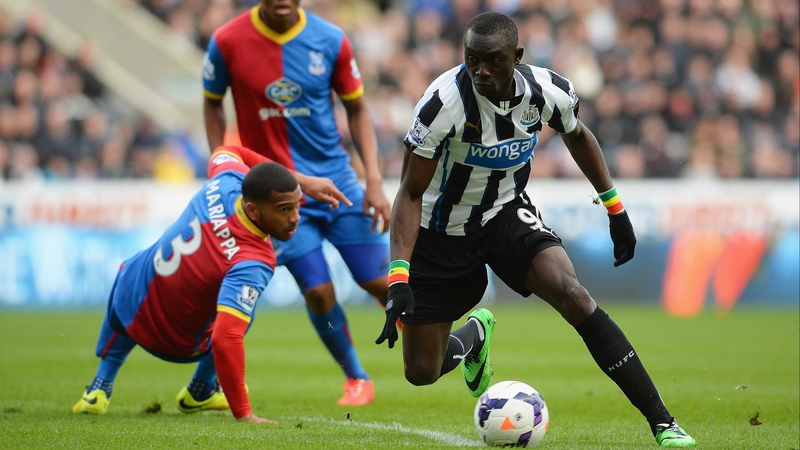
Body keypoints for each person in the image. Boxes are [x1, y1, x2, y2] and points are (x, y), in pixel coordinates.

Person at [375, 12, 696, 448]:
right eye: (472, 59)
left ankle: (663, 422)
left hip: (504, 212)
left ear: (517, 57)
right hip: (440, 229)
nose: (481, 70)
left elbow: (578, 135)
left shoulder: (550, 91)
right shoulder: (442, 104)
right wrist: (398, 277)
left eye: (493, 60)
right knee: (420, 372)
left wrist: (615, 208)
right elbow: (410, 195)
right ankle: (473, 337)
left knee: (574, 295)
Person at [201, 0, 392, 406]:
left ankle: (420, 331)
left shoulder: (331, 40)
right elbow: (211, 101)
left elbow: (357, 109)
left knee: (378, 281)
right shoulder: (227, 40)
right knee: (319, 292)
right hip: (277, 196)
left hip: (336, 184)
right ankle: (357, 377)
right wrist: (221, 158)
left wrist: (373, 179)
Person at [72, 145, 350, 422]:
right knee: (240, 312)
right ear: (253, 211)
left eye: (297, 206)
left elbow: (226, 149)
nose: (295, 218)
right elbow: (225, 339)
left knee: (134, 269)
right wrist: (244, 413)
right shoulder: (254, 261)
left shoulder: (225, 178)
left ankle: (99, 388)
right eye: (284, 209)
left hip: (129, 304)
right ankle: (201, 389)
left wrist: (302, 182)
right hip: (176, 343)